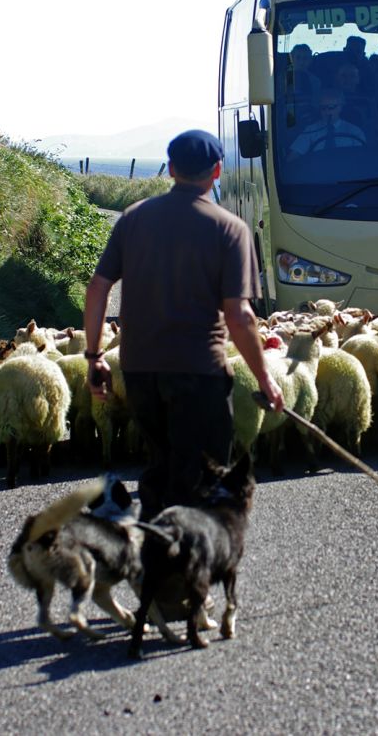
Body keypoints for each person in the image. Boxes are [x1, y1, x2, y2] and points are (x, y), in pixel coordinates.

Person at [84, 130, 284, 520]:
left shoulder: (133, 218)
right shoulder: (229, 228)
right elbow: (240, 317)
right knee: (203, 481)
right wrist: (265, 378)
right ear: (218, 171)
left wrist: (94, 357)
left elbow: (97, 288)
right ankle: (186, 564)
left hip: (140, 370)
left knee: (160, 467)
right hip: (199, 373)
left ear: (171, 168)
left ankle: (156, 552)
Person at [286, 88, 367, 156]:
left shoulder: (354, 131)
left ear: (340, 107)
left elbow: (360, 158)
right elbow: (294, 155)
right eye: (323, 108)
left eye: (331, 107)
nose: (327, 111)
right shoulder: (310, 130)